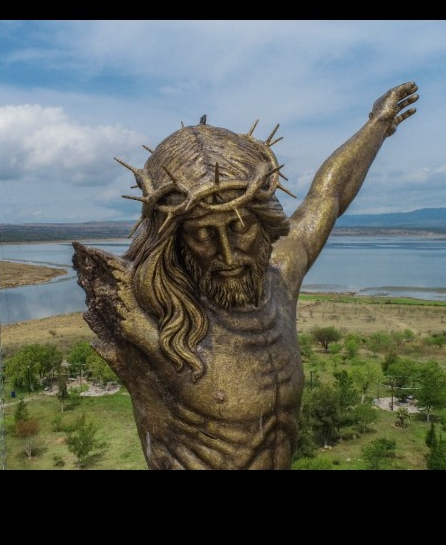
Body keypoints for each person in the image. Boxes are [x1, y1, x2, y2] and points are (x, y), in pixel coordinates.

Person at [73, 81, 419, 469]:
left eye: (240, 227)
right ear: (177, 241)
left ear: (263, 221)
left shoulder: (281, 279)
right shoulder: (150, 313)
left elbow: (328, 195)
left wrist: (378, 123)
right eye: (203, 234)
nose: (227, 253)